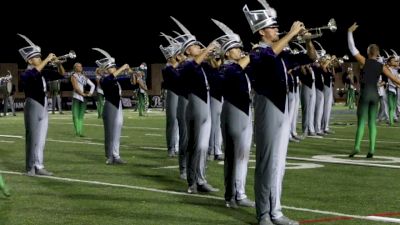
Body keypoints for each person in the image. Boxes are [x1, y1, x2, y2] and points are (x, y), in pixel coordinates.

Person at [243, 1, 316, 224]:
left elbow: (311, 58)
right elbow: (267, 57)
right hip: (267, 107)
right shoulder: (256, 53)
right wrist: (292, 33)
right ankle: (263, 213)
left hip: (282, 110)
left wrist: (307, 39)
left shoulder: (280, 54)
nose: (277, 30)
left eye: (277, 28)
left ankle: (276, 211)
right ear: (261, 31)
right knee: (266, 162)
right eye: (273, 28)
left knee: (279, 164)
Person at [171, 16, 219, 193]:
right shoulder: (187, 65)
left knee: (203, 146)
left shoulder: (201, 66)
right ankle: (192, 181)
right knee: (195, 145)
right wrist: (208, 50)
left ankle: (201, 179)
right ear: (188, 51)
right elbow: (193, 66)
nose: (200, 48)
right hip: (195, 105)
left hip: (205, 105)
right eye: (196, 46)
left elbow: (215, 69)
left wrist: (214, 56)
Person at [212, 18, 255, 208]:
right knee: (233, 155)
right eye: (237, 48)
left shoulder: (240, 68)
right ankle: (230, 195)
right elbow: (238, 67)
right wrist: (255, 53)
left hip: (245, 112)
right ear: (229, 52)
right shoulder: (227, 68)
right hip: (233, 112)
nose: (241, 51)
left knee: (243, 155)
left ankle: (240, 193)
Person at [347, 22, 400, 158]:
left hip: (365, 94)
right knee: (372, 123)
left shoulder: (364, 61)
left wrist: (349, 32)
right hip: (375, 95)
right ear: (377, 53)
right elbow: (395, 80)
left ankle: (357, 147)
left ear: (368, 52)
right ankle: (371, 149)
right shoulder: (382, 66)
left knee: (361, 123)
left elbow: (352, 48)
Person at [18, 33, 65, 176]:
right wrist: (46, 59)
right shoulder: (26, 73)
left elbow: (61, 75)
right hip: (32, 104)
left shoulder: (42, 72)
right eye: (37, 57)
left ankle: (39, 165)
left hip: (44, 105)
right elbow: (33, 74)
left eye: (40, 57)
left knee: (41, 139)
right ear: (30, 60)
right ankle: (29, 167)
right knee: (32, 137)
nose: (40, 59)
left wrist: (59, 63)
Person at [93, 48, 128, 165]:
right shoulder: (104, 79)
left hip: (118, 106)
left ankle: (116, 155)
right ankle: (109, 156)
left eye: (114, 67)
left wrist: (132, 72)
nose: (114, 69)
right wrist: (122, 68)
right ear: (107, 69)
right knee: (109, 133)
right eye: (112, 67)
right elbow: (110, 78)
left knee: (117, 132)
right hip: (110, 107)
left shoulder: (114, 80)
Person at [71, 62, 95, 137]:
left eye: (81, 66)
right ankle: (78, 131)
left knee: (80, 116)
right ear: (75, 68)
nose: (80, 67)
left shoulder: (84, 76)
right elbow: (76, 88)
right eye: (78, 66)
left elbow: (93, 85)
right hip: (77, 97)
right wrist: (83, 94)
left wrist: (90, 93)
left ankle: (80, 131)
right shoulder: (73, 76)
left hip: (82, 97)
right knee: (75, 115)